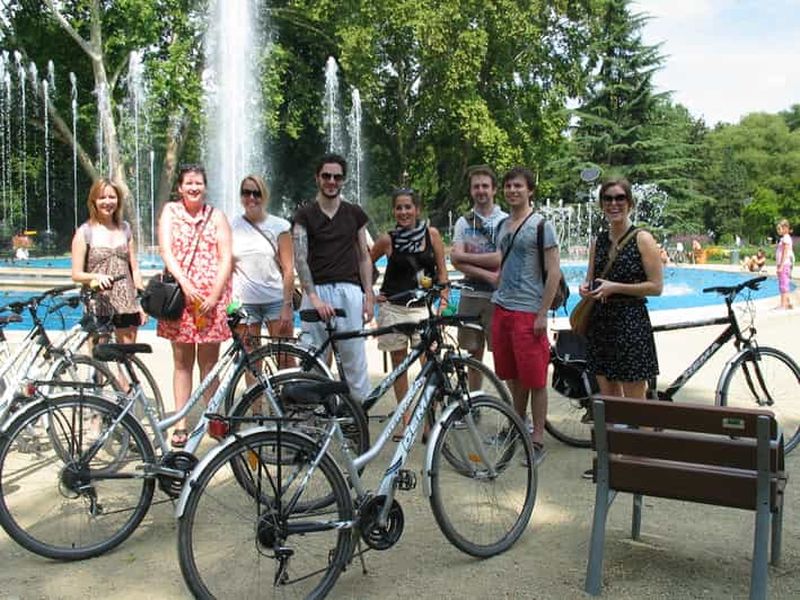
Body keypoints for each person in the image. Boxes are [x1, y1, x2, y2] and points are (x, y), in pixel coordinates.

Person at [579, 178, 663, 478]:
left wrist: (617, 287)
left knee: (634, 399)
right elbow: (592, 280)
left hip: (630, 324)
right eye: (608, 198)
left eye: (619, 198)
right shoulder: (598, 241)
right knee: (609, 399)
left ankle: (638, 460)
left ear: (630, 202)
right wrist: (586, 290)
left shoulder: (642, 238)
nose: (613, 204)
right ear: (601, 204)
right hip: (602, 324)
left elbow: (656, 287)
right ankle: (611, 459)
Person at [157, 164, 233, 447]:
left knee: (210, 363)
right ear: (180, 187)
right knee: (182, 363)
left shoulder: (217, 216)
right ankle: (181, 422)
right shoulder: (170, 212)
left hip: (210, 300)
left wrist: (214, 295)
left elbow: (226, 256)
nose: (193, 187)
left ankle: (213, 418)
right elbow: (166, 250)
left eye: (198, 182)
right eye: (188, 182)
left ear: (205, 186)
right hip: (180, 298)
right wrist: (185, 284)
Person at [491, 167, 560, 467]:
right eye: (508, 186)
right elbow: (501, 265)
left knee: (534, 379)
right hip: (503, 308)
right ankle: (517, 425)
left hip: (528, 311)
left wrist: (542, 312)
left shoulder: (542, 225)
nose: (512, 191)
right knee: (511, 374)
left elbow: (554, 271)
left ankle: (537, 439)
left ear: (530, 190)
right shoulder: (502, 225)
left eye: (518, 186)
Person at [292, 153, 374, 404]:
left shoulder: (354, 214)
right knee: (312, 359)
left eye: (337, 177)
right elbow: (300, 259)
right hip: (316, 291)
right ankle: (311, 427)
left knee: (354, 360)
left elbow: (363, 256)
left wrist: (368, 295)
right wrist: (314, 297)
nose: (331, 181)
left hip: (349, 292)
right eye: (326, 176)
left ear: (343, 180)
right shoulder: (304, 215)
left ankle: (357, 419)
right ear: (318, 178)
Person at [370, 188, 449, 440]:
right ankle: (406, 420)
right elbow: (364, 262)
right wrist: (371, 293)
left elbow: (442, 271)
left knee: (429, 366)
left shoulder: (432, 235)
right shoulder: (387, 239)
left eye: (408, 207)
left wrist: (443, 300)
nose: (403, 212)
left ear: (417, 209)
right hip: (394, 308)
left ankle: (427, 420)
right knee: (399, 367)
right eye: (399, 207)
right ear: (394, 211)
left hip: (423, 309)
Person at [230, 174, 294, 374]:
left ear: (264, 196)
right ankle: (255, 405)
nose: (251, 198)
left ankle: (288, 404)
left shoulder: (279, 226)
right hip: (245, 304)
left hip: (275, 301)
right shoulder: (231, 226)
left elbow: (288, 268)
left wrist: (287, 305)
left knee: (285, 357)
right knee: (251, 361)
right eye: (246, 193)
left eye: (256, 193)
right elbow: (228, 265)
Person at [71, 178, 147, 345]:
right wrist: (96, 276)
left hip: (126, 302)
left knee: (127, 360)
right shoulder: (85, 232)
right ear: (94, 201)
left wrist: (141, 302)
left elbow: (134, 269)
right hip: (98, 302)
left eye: (112, 197)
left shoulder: (125, 229)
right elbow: (76, 274)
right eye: (102, 198)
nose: (107, 202)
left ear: (118, 200)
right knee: (99, 362)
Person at [450, 165, 507, 384]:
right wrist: (490, 274)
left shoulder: (505, 221)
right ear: (471, 190)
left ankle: (510, 406)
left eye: (485, 186)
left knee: (503, 354)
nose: (481, 190)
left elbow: (501, 259)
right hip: (471, 296)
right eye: (476, 186)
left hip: (499, 299)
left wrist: (465, 258)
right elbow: (455, 262)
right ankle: (474, 400)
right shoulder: (463, 222)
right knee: (473, 355)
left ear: (494, 189)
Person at [775, 219, 795, 310]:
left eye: (780, 228)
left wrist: (781, 266)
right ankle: (787, 302)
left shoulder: (786, 238)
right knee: (783, 282)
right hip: (783, 264)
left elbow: (785, 253)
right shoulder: (784, 238)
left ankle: (783, 305)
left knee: (783, 283)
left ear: (785, 228)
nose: (778, 231)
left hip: (784, 264)